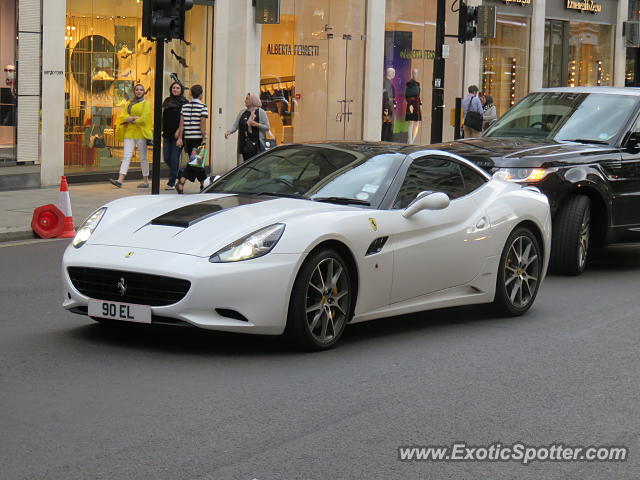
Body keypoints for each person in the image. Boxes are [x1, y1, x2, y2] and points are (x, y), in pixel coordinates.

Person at [110, 84, 152, 188]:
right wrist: (133, 118)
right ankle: (120, 180)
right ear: (134, 91)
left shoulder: (146, 103)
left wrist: (131, 119)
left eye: (141, 90)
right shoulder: (129, 103)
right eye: (137, 89)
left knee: (143, 158)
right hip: (129, 133)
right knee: (126, 156)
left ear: (143, 92)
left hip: (141, 134)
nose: (138, 91)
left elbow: (145, 119)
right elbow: (124, 117)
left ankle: (146, 181)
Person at [175, 84, 209, 193]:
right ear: (200, 94)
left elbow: (181, 125)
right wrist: (204, 137)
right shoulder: (203, 107)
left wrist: (180, 138)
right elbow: (202, 125)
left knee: (197, 163)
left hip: (188, 139)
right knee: (195, 163)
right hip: (198, 138)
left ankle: (203, 185)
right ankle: (182, 181)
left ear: (190, 94)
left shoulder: (184, 107)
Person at [225, 93, 270, 163]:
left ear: (253, 100)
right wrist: (229, 132)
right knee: (245, 165)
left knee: (255, 165)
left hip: (257, 146)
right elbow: (235, 125)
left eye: (247, 99)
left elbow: (267, 127)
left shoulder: (261, 112)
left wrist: (256, 124)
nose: (245, 100)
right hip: (244, 145)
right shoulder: (242, 112)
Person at [162, 81, 188, 190]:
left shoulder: (184, 102)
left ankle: (171, 183)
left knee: (174, 159)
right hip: (167, 134)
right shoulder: (167, 101)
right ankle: (182, 175)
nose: (175, 90)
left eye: (177, 88)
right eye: (173, 88)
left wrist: (179, 131)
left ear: (181, 90)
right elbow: (164, 117)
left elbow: (185, 120)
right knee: (167, 158)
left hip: (178, 135)